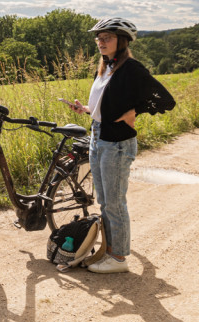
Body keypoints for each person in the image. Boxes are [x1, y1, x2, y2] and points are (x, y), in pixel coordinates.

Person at [65, 17, 175, 274]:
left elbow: (165, 100)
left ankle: (118, 258)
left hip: (117, 143)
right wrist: (85, 110)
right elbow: (107, 105)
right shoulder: (105, 66)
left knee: (114, 202)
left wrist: (135, 111)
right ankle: (110, 250)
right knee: (104, 200)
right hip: (98, 137)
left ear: (122, 41)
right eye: (99, 39)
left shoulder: (132, 68)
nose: (101, 42)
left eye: (107, 38)